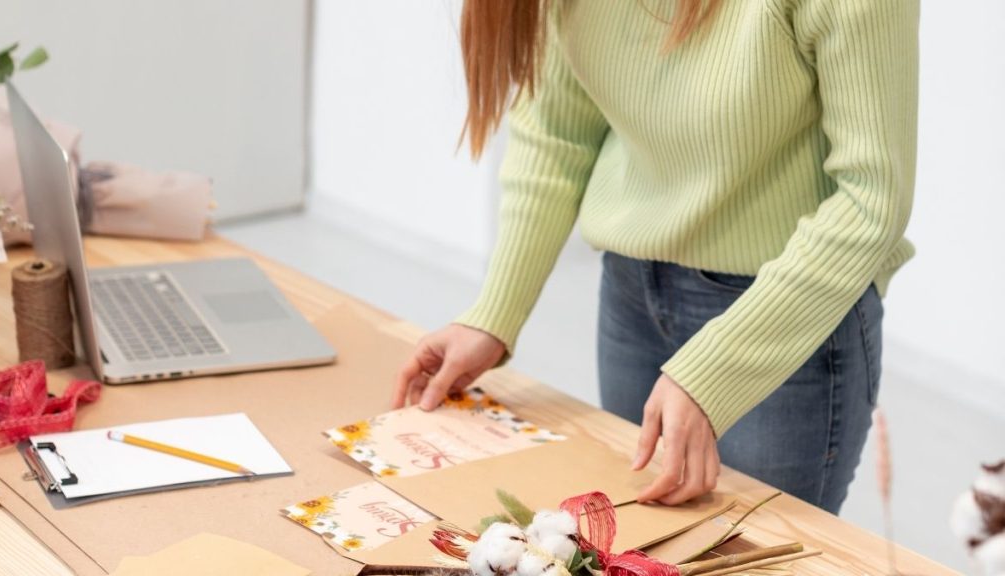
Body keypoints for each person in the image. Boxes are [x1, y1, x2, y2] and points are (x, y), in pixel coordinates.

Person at [393, 0, 918, 515]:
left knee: (756, 557)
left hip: (784, 320)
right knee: (632, 542)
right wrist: (493, 315)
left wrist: (714, 371)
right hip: (628, 292)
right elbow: (558, 134)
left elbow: (870, 202)